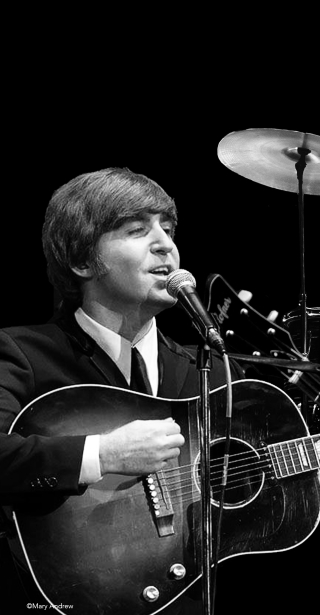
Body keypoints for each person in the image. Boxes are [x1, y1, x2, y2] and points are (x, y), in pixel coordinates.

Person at [0, 168, 239, 610]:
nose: (165, 243)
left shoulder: (209, 368)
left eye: (167, 229)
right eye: (136, 230)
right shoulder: (23, 352)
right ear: (82, 261)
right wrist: (102, 455)